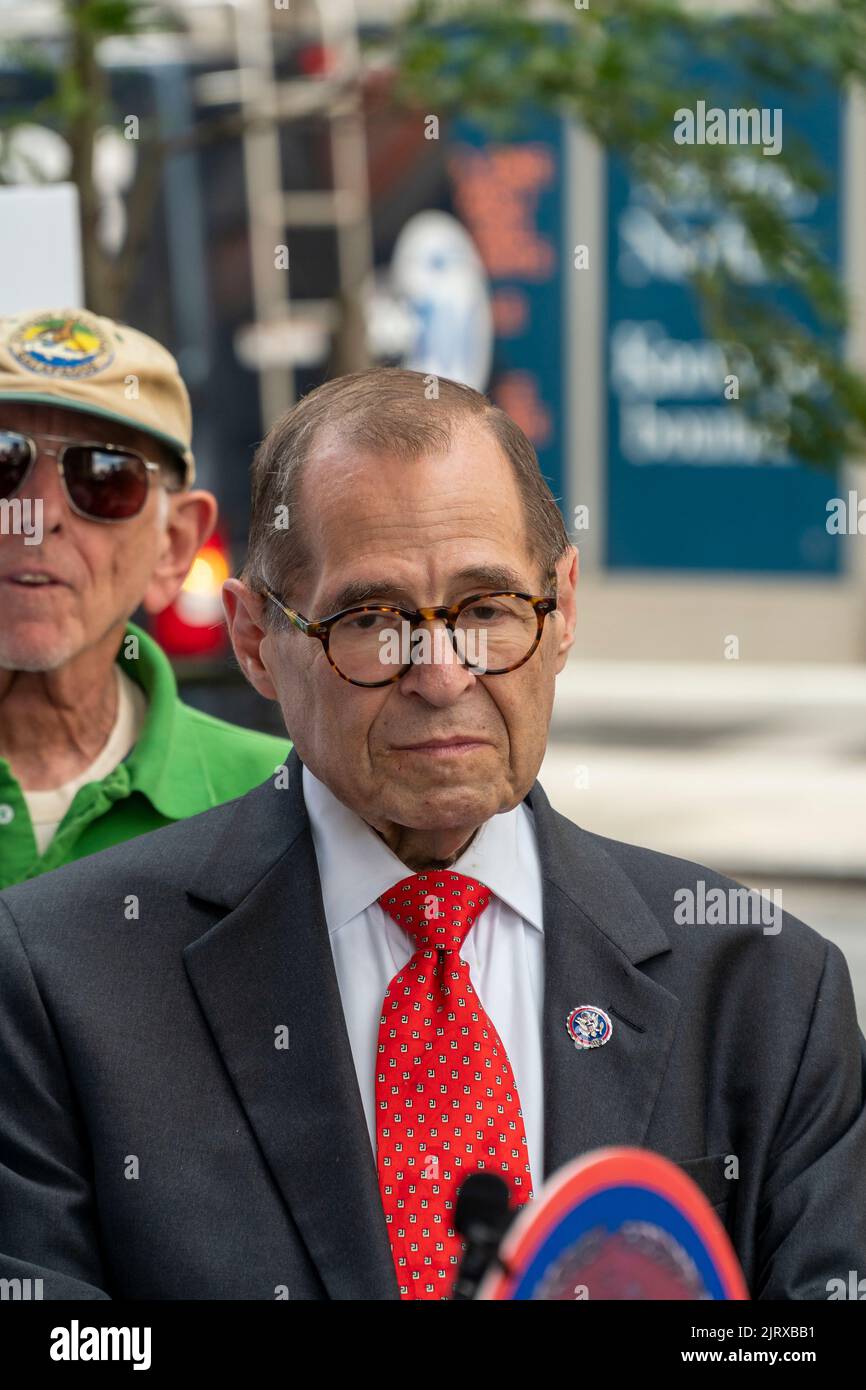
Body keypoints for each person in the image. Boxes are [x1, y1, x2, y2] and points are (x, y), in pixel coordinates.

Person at [0, 367, 863, 1300]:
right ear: (255, 640)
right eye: (372, 620)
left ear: (564, 607)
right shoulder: (62, 984)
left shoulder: (768, 991)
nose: (442, 673)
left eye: (489, 610)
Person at [0, 307, 289, 888]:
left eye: (104, 478)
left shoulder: (280, 802)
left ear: (173, 546)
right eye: (5, 462)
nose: (39, 517)